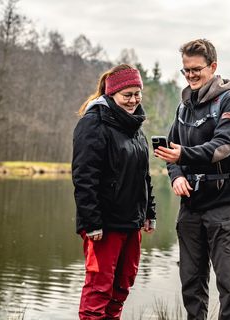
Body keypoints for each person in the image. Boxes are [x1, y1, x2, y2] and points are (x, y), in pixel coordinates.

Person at [154, 39, 230, 320]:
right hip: (191, 208)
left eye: (196, 69)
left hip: (225, 208)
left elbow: (223, 147)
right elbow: (171, 149)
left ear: (213, 66)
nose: (191, 75)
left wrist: (183, 155)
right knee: (191, 285)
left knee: (229, 286)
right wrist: (175, 176)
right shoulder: (184, 106)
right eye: (186, 70)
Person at [72, 64, 156, 320]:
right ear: (112, 94)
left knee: (121, 287)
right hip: (104, 226)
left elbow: (144, 175)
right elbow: (84, 178)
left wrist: (149, 211)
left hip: (131, 222)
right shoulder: (93, 123)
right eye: (127, 95)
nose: (133, 100)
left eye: (137, 94)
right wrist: (91, 222)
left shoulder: (135, 127)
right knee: (99, 290)